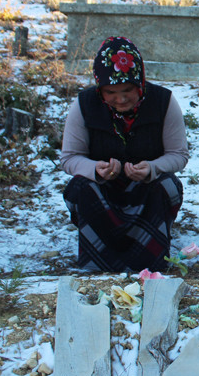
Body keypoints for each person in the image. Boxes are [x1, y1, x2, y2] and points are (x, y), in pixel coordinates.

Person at [61, 36, 189, 272]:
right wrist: (94, 169)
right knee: (79, 187)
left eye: (128, 90)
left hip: (146, 189)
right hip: (103, 190)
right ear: (100, 88)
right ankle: (97, 260)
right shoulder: (84, 105)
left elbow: (178, 154)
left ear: (140, 82)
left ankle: (150, 259)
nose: (120, 99)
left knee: (168, 186)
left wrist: (152, 168)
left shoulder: (163, 101)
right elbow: (70, 158)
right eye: (111, 92)